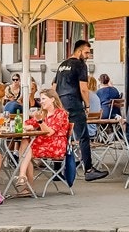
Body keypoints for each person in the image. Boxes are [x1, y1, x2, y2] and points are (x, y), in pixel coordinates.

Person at [52, 39, 105, 180]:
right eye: (87, 52)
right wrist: (87, 105)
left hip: (60, 101)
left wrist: (55, 104)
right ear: (79, 51)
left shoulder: (62, 65)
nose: (88, 56)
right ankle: (88, 170)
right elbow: (83, 88)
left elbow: (53, 86)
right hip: (73, 101)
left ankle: (57, 171)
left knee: (61, 135)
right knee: (83, 136)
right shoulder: (80, 65)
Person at [18, 86, 71, 194]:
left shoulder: (61, 113)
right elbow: (28, 124)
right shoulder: (43, 113)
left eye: (43, 99)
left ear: (52, 99)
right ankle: (24, 179)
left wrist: (40, 122)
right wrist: (30, 126)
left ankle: (26, 183)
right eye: (40, 99)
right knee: (25, 143)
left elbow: (50, 132)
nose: (41, 102)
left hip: (55, 145)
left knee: (26, 149)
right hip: (42, 143)